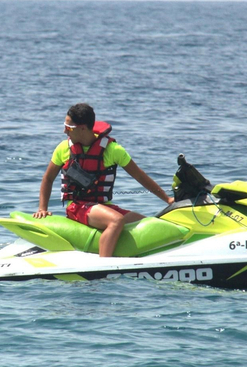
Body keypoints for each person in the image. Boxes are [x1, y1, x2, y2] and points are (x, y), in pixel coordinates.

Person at [34, 103, 172, 257]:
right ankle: (103, 266)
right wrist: (42, 208)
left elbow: (139, 176)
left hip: (103, 206)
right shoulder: (63, 148)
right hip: (77, 206)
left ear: (83, 128)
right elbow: (48, 178)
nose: (64, 130)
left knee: (148, 224)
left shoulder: (113, 150)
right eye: (64, 125)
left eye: (69, 126)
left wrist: (167, 199)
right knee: (116, 221)